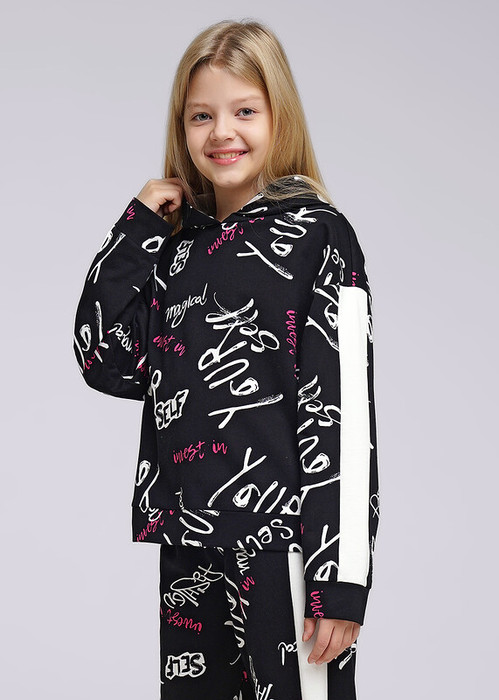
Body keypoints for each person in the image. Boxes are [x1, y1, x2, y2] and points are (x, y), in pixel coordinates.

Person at [73, 17, 380, 700]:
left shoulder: (320, 237)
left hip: (288, 550)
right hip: (191, 545)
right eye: (201, 116)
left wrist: (341, 578)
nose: (221, 132)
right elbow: (103, 357)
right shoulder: (174, 248)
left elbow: (344, 418)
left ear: (279, 116)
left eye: (244, 111)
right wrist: (137, 229)